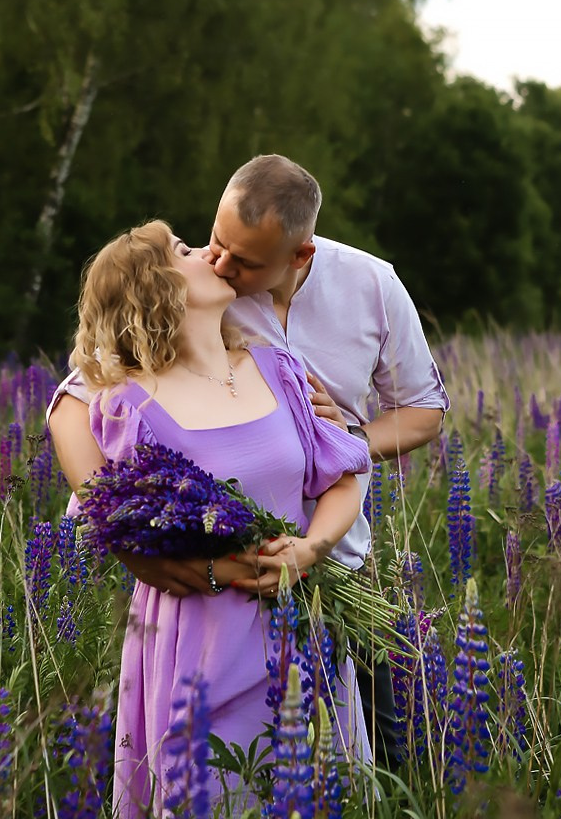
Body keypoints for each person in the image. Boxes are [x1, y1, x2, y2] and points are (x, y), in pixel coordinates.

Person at [52, 156, 449, 767]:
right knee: (224, 770)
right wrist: (122, 523)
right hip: (219, 587)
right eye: (214, 243)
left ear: (299, 255)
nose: (223, 264)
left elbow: (423, 410)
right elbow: (75, 402)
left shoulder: (370, 285)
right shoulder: (195, 289)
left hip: (337, 564)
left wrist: (336, 438)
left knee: (370, 758)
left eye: (245, 262)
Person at [47, 220, 373, 819]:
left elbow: (342, 476)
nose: (208, 252)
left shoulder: (276, 366)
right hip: (201, 634)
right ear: (154, 289)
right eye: (183, 249)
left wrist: (310, 549)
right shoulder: (128, 405)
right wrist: (217, 570)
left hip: (304, 620)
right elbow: (119, 527)